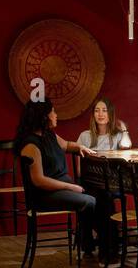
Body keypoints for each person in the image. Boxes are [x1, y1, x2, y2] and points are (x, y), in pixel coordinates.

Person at [14, 100, 97, 259]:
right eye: (53, 112)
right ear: (44, 116)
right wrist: (70, 187)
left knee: (99, 195)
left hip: (61, 187)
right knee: (89, 201)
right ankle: (90, 244)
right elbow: (39, 180)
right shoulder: (31, 145)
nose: (56, 115)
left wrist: (79, 147)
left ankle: (96, 242)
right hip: (44, 195)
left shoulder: (49, 134)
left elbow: (66, 145)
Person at [75, 97, 129, 262]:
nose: (100, 114)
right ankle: (108, 249)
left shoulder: (117, 136)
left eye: (104, 110)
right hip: (89, 182)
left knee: (103, 198)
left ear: (110, 113)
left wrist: (125, 129)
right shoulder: (85, 136)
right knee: (99, 199)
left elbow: (127, 146)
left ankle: (100, 246)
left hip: (110, 184)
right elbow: (79, 169)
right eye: (97, 110)